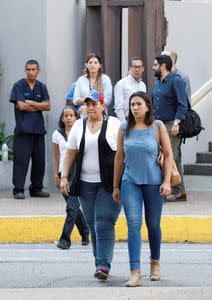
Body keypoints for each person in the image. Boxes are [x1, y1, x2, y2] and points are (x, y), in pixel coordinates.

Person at [60, 90, 122, 280]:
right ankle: (101, 263)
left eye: (95, 103)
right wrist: (64, 177)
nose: (91, 107)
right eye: (88, 104)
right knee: (94, 225)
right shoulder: (79, 125)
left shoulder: (115, 124)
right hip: (85, 184)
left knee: (104, 222)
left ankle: (103, 264)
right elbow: (70, 153)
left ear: (103, 106)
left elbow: (125, 151)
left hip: (109, 184)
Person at [113, 91, 173, 287]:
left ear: (147, 106)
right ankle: (135, 272)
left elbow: (169, 154)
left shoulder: (158, 126)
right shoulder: (124, 129)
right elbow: (119, 158)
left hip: (154, 183)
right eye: (132, 105)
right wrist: (115, 185)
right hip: (130, 182)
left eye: (138, 104)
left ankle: (155, 262)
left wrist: (167, 181)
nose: (135, 108)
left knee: (153, 224)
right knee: (133, 224)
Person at [9, 60, 51, 199]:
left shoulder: (42, 86)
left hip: (38, 130)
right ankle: (18, 190)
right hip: (23, 131)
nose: (31, 72)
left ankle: (36, 189)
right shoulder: (19, 86)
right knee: (21, 161)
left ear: (38, 71)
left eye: (33, 69)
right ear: (25, 70)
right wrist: (39, 105)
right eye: (28, 69)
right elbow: (21, 106)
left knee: (39, 162)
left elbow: (47, 106)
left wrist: (31, 103)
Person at [151, 54, 188, 202]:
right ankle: (179, 191)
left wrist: (177, 123)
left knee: (168, 157)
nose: (153, 67)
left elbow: (182, 104)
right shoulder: (158, 83)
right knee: (173, 158)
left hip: (171, 125)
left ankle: (172, 189)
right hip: (158, 126)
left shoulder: (176, 81)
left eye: (155, 65)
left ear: (163, 66)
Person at [52, 106, 89, 250]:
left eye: (71, 115)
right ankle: (85, 232)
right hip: (64, 174)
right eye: (65, 116)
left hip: (78, 173)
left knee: (71, 207)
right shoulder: (57, 134)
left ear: (76, 118)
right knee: (73, 208)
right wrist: (56, 175)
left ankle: (65, 240)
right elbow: (56, 157)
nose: (68, 118)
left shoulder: (81, 132)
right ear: (62, 118)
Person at [114, 57, 147, 123]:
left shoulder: (143, 85)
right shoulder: (121, 84)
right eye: (134, 67)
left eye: (139, 67)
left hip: (141, 122)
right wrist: (124, 124)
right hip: (127, 120)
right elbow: (118, 108)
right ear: (130, 68)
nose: (137, 70)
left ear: (143, 69)